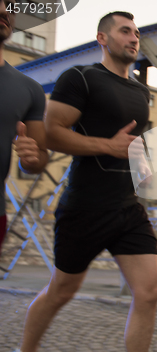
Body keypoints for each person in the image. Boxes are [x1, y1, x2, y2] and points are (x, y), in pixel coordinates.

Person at [19, 12, 157, 352]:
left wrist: (142, 165)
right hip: (86, 205)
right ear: (103, 38)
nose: (133, 38)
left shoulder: (140, 92)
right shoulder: (80, 78)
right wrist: (108, 146)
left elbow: (129, 143)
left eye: (136, 33)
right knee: (62, 291)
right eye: (124, 31)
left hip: (127, 206)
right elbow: (52, 134)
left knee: (150, 292)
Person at [0, 0, 48, 258]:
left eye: (10, 6)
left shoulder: (30, 90)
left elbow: (39, 158)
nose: (4, 10)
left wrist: (31, 158)